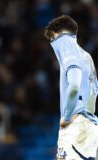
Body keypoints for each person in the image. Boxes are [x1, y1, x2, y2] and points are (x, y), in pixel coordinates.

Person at [44, 15, 98, 160]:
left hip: (76, 123)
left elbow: (74, 86)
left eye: (52, 37)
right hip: (89, 125)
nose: (52, 42)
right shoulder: (86, 56)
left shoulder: (66, 45)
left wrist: (66, 117)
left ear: (59, 33)